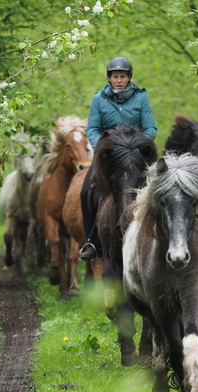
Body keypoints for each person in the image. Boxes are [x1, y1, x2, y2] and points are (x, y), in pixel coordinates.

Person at [79, 56, 158, 261]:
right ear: (109, 78)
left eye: (123, 76)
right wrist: (103, 149)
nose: (119, 80)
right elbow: (93, 129)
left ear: (129, 77)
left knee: (162, 189)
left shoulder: (141, 97)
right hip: (109, 158)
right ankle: (92, 241)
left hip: (135, 157)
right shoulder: (98, 99)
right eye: (115, 76)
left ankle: (158, 235)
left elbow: (150, 127)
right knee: (86, 191)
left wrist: (140, 148)